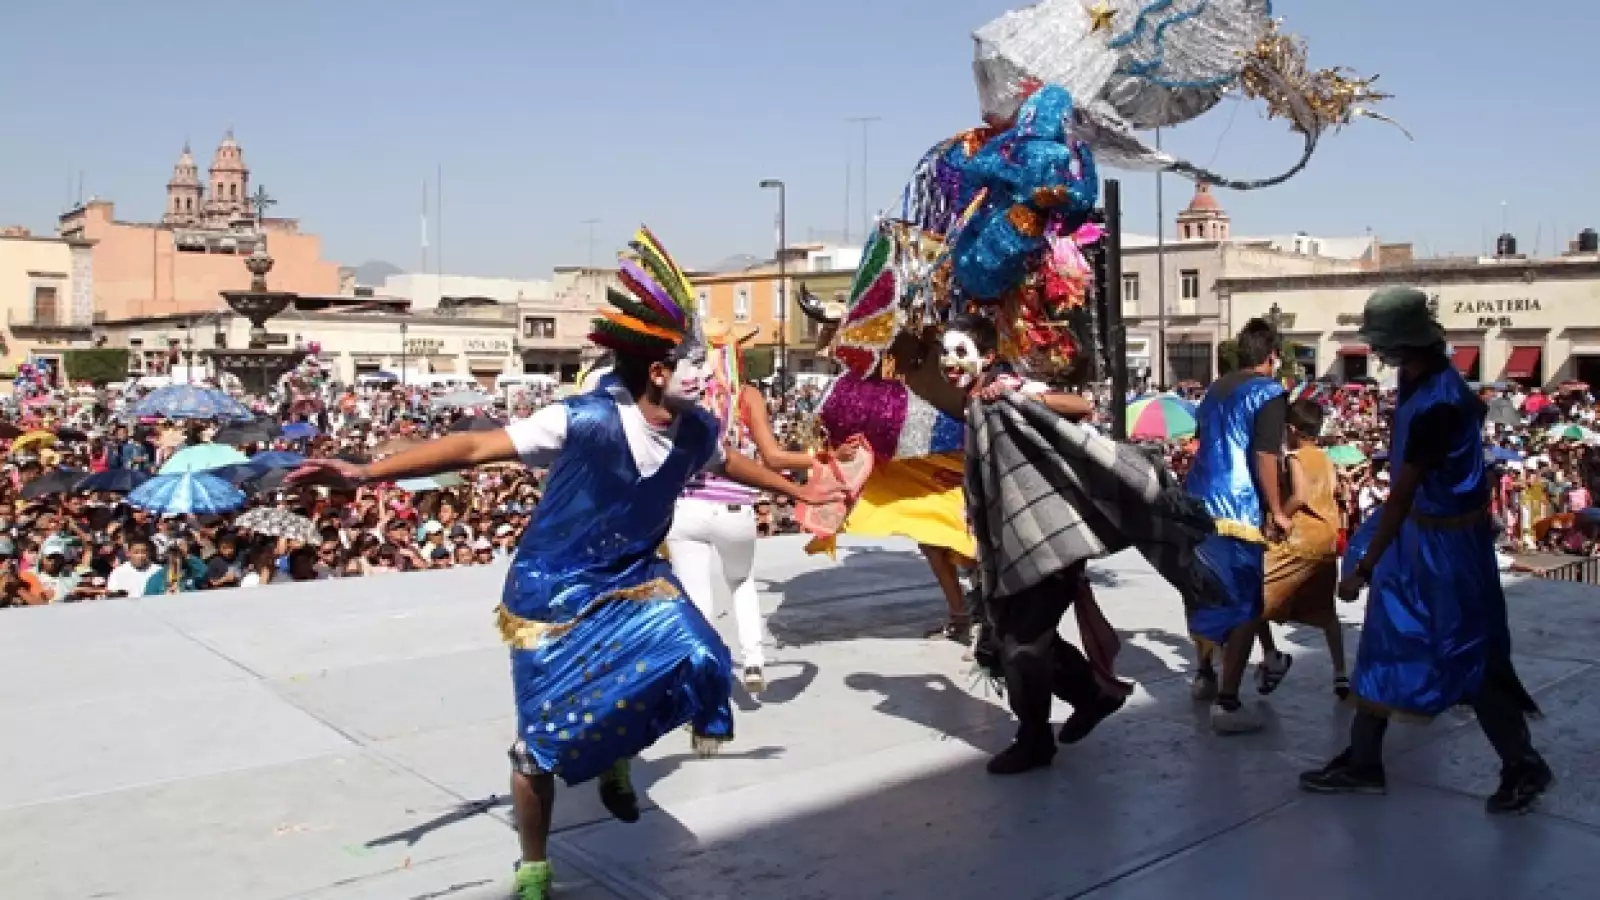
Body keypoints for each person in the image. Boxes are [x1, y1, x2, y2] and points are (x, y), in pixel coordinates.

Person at [290, 228, 838, 900]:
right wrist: (365, 472)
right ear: (660, 372)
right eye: (696, 360)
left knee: (701, 657)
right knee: (537, 747)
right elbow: (468, 448)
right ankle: (534, 863)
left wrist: (800, 489)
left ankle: (611, 750)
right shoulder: (577, 420)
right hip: (550, 592)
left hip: (634, 578)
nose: (710, 371)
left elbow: (733, 464)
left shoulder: (695, 429)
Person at [1300, 286, 1551, 813]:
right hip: (1422, 539)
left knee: (1469, 655)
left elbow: (1401, 495)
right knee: (1386, 642)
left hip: (1446, 549)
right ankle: (1364, 759)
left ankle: (1522, 764)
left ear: (1401, 345)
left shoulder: (1441, 401)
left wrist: (1363, 566)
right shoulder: (1420, 383)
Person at [888, 316, 1127, 775]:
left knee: (1021, 645)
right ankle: (1092, 697)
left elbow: (1080, 405)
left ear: (988, 356)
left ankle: (1035, 738)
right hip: (1008, 546)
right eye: (946, 354)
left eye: (961, 352)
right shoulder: (974, 399)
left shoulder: (1004, 389)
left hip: (1047, 544)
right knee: (1011, 641)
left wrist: (1019, 395)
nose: (951, 363)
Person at [663, 318, 832, 694]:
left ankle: (704, 673)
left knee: (696, 596)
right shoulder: (747, 396)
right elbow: (772, 457)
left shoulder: (685, 394)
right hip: (735, 510)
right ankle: (753, 662)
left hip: (686, 507)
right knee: (741, 582)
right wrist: (821, 459)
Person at [1186, 318, 1292, 734]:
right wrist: (1277, 508)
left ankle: (1205, 675)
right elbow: (1266, 455)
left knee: (1205, 591)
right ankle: (1228, 703)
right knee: (1246, 604)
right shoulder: (1268, 392)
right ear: (1271, 356)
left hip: (1197, 500)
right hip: (1238, 508)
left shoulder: (1215, 390)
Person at [1261, 399, 1347, 698]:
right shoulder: (1325, 457)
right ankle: (1341, 673)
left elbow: (1299, 494)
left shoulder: (1295, 457)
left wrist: (1278, 516)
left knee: (1252, 596)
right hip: (1327, 541)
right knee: (1326, 612)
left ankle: (1272, 658)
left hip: (1302, 540)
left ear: (1292, 430)